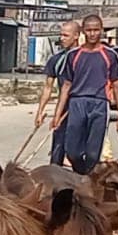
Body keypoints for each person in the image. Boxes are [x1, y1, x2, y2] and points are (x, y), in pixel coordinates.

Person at [51, 15, 118, 175]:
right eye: (89, 30)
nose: (92, 34)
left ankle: (88, 185)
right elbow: (66, 86)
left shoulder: (110, 55)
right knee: (72, 152)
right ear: (83, 31)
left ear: (102, 31)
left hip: (99, 104)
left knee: (93, 154)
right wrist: (57, 114)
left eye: (96, 30)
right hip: (77, 103)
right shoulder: (73, 55)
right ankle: (84, 175)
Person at [35, 20, 81, 165]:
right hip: (62, 107)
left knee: (77, 152)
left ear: (76, 36)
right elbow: (48, 87)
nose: (62, 38)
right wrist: (40, 111)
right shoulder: (56, 60)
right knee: (57, 148)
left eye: (66, 35)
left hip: (81, 107)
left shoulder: (84, 58)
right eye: (61, 35)